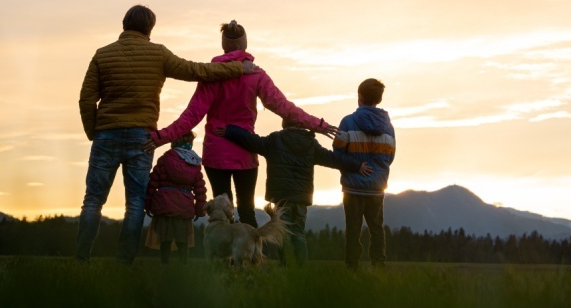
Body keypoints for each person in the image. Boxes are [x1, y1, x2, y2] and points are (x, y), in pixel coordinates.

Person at [76, 5, 258, 265]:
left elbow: (86, 99)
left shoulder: (102, 55)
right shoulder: (158, 54)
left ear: (125, 24)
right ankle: (124, 261)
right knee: (136, 202)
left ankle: (82, 258)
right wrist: (239, 69)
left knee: (93, 199)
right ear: (150, 28)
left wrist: (93, 131)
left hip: (106, 134)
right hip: (142, 137)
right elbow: (197, 70)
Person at [144, 20, 337, 228]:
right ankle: (252, 258)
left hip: (216, 153)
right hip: (245, 151)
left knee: (222, 212)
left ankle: (224, 259)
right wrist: (319, 125)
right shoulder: (256, 75)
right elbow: (284, 108)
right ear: (244, 44)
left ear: (224, 45)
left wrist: (160, 137)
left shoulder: (213, 74)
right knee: (246, 210)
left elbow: (190, 117)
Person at [215, 120, 372, 266]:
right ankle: (300, 269)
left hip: (282, 196)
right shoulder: (311, 143)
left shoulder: (275, 140)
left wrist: (230, 131)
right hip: (301, 198)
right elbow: (334, 159)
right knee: (299, 234)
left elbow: (250, 140)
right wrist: (357, 165)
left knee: (285, 234)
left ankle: (287, 266)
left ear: (285, 124)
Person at [332, 78, 395, 270]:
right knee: (377, 228)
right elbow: (390, 156)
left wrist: (355, 167)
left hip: (352, 187)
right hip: (376, 187)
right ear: (379, 99)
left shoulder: (348, 122)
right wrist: (377, 173)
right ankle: (379, 264)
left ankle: (352, 266)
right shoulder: (388, 127)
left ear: (359, 97)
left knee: (353, 229)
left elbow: (338, 154)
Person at [144, 131, 207, 265]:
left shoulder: (164, 159)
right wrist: (199, 210)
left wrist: (148, 204)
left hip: (164, 206)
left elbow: (152, 183)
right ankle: (183, 266)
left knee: (165, 240)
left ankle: (164, 264)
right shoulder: (194, 163)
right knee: (183, 241)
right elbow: (200, 190)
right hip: (184, 208)